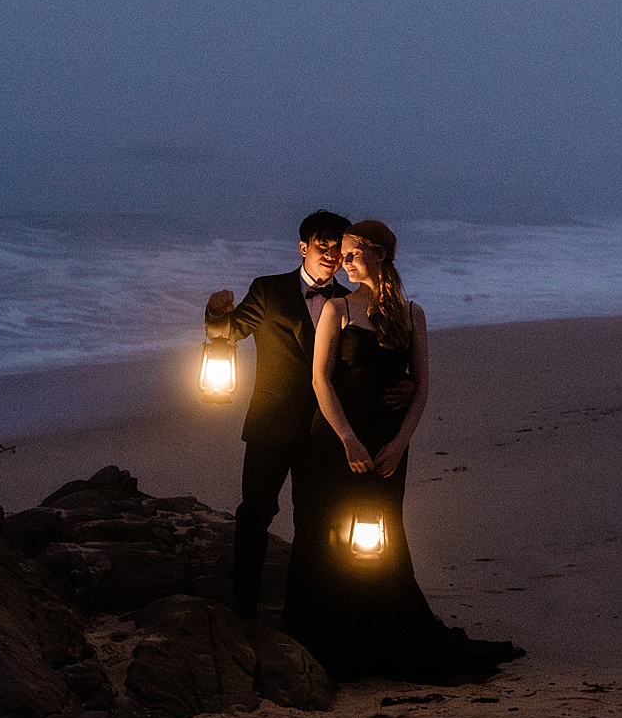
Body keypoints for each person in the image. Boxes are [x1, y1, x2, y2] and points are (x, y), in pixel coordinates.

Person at [282, 219, 522, 683]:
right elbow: (320, 379)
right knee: (324, 532)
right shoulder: (336, 309)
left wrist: (399, 442)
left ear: (380, 255)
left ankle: (381, 634)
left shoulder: (412, 313)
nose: (343, 261)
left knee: (382, 537)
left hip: (388, 441)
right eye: (342, 254)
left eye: (353, 253)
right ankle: (327, 639)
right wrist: (348, 438)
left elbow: (424, 385)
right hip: (333, 438)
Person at [204, 210, 362, 619]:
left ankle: (303, 611)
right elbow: (230, 332)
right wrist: (215, 316)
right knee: (254, 515)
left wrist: (404, 383)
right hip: (270, 425)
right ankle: (244, 604)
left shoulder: (348, 302)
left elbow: (359, 365)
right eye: (322, 246)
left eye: (336, 248)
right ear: (303, 247)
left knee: (313, 523)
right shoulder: (269, 290)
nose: (330, 255)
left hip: (323, 430)